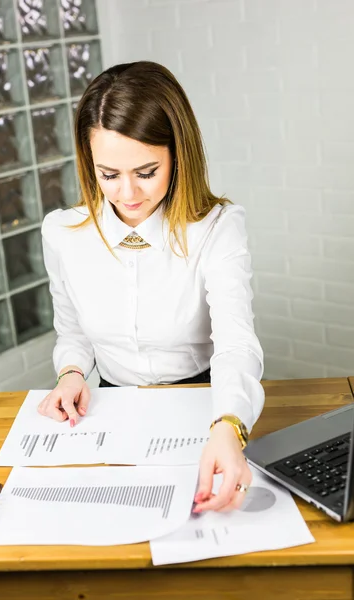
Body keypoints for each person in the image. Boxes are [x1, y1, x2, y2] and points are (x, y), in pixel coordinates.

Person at [38, 61, 265, 514]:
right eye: (108, 174)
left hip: (207, 405)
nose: (127, 193)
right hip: (109, 409)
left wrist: (229, 426)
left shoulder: (218, 228)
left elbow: (236, 342)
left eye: (145, 172)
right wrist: (70, 374)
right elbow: (74, 333)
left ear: (178, 155)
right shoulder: (62, 233)